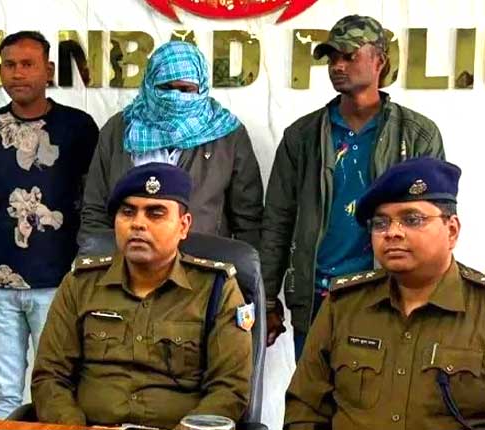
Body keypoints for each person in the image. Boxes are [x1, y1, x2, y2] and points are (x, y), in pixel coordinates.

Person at [260, 15, 446, 358]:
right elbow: (277, 220)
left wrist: (433, 296)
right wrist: (267, 298)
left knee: (385, 391)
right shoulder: (302, 137)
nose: (337, 66)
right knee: (313, 391)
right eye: (332, 57)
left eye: (349, 56)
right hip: (318, 297)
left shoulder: (417, 134)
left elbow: (436, 221)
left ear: (380, 62)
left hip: (391, 296)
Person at [32, 163, 253, 429]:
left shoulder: (216, 290)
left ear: (183, 226)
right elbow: (50, 377)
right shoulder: (80, 284)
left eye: (155, 213)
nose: (138, 224)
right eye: (127, 212)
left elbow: (229, 390)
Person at [0, 30, 99, 418]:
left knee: (62, 386)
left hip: (62, 283)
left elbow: (95, 205)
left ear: (48, 70)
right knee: (3, 392)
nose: (18, 73)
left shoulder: (78, 127)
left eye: (28, 64)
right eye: (10, 65)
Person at [285, 157, 485, 429]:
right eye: (380, 223)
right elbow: (305, 408)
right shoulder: (343, 305)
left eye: (412, 219)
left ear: (451, 230)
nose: (392, 233)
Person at [79, 41, 263, 249]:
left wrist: (249, 268)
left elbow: (249, 219)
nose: (175, 97)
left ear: (201, 88)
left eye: (186, 89)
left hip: (203, 262)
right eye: (166, 88)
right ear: (149, 84)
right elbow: (95, 209)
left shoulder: (226, 134)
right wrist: (96, 260)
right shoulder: (120, 129)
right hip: (128, 261)